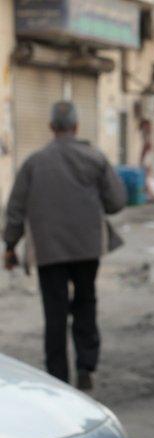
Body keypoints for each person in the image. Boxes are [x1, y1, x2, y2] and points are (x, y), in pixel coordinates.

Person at [3, 101, 126, 389]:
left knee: (54, 312)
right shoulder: (94, 158)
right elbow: (117, 201)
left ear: (51, 128)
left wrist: (10, 245)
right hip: (86, 247)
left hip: (48, 251)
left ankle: (58, 377)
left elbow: (15, 208)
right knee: (86, 303)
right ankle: (86, 366)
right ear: (76, 126)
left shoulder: (34, 162)